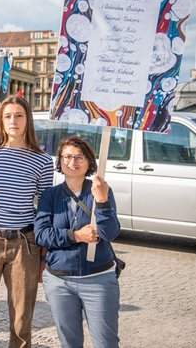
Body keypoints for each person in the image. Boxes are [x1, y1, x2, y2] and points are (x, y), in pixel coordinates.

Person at [0, 95, 54, 348]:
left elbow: (43, 208)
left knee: (21, 321)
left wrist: (43, 252)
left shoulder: (42, 161)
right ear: (0, 122)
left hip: (24, 243)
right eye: (7, 116)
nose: (13, 121)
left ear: (28, 120)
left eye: (18, 115)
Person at [35, 136, 121, 348]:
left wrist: (101, 202)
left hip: (99, 279)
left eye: (79, 157)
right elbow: (42, 235)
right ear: (60, 161)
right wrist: (76, 236)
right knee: (69, 343)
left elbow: (109, 233)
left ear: (89, 162)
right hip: (59, 281)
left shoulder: (101, 190)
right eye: (67, 156)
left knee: (106, 343)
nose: (72, 162)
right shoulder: (50, 195)